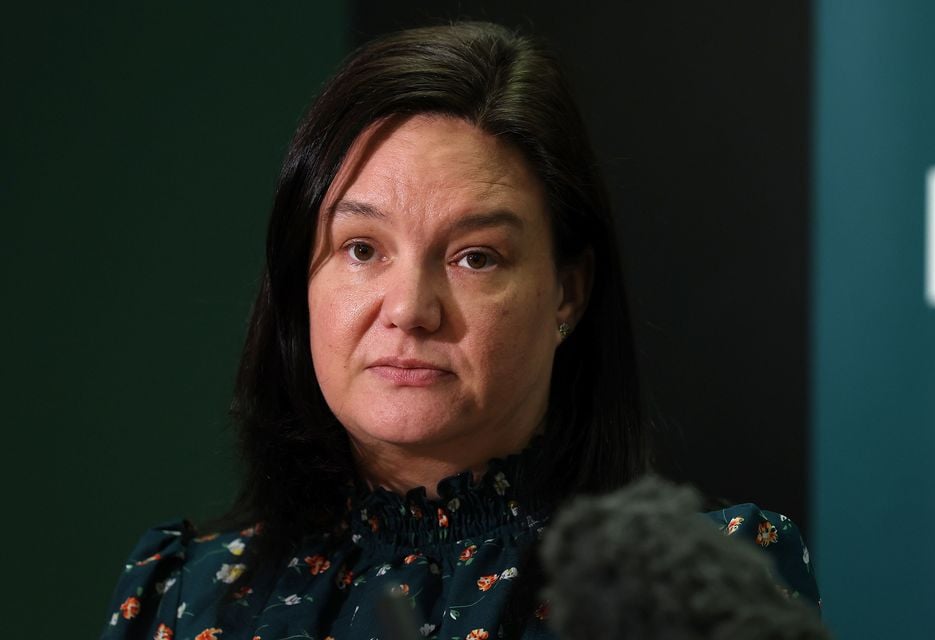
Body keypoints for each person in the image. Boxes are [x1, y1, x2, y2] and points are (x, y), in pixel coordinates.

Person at [99, 21, 819, 640]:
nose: (409, 307)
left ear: (568, 291)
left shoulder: (705, 586)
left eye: (475, 256)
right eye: (361, 249)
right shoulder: (184, 597)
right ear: (299, 278)